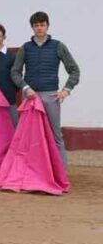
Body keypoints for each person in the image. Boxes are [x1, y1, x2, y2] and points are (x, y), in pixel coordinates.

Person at [11, 11, 80, 165]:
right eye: (36, 25)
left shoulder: (58, 46)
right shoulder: (26, 48)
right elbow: (14, 72)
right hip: (30, 97)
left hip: (51, 95)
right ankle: (29, 171)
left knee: (56, 135)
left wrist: (66, 90)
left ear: (47, 26)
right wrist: (25, 88)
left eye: (42, 25)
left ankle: (61, 173)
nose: (39, 28)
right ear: (32, 27)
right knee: (29, 135)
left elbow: (74, 70)